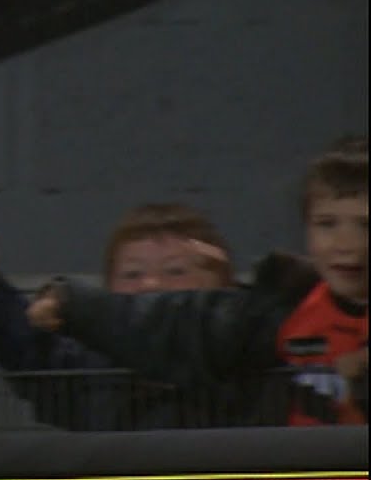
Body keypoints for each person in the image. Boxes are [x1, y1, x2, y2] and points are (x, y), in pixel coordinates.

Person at [27, 136, 369, 426]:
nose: (346, 244)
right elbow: (170, 324)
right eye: (327, 224)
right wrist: (72, 303)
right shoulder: (279, 307)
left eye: (366, 225)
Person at [0, 204, 250, 429]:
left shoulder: (241, 350)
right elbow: (33, 354)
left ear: (219, 282)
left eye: (175, 271)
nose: (151, 284)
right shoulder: (93, 364)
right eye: (132, 274)